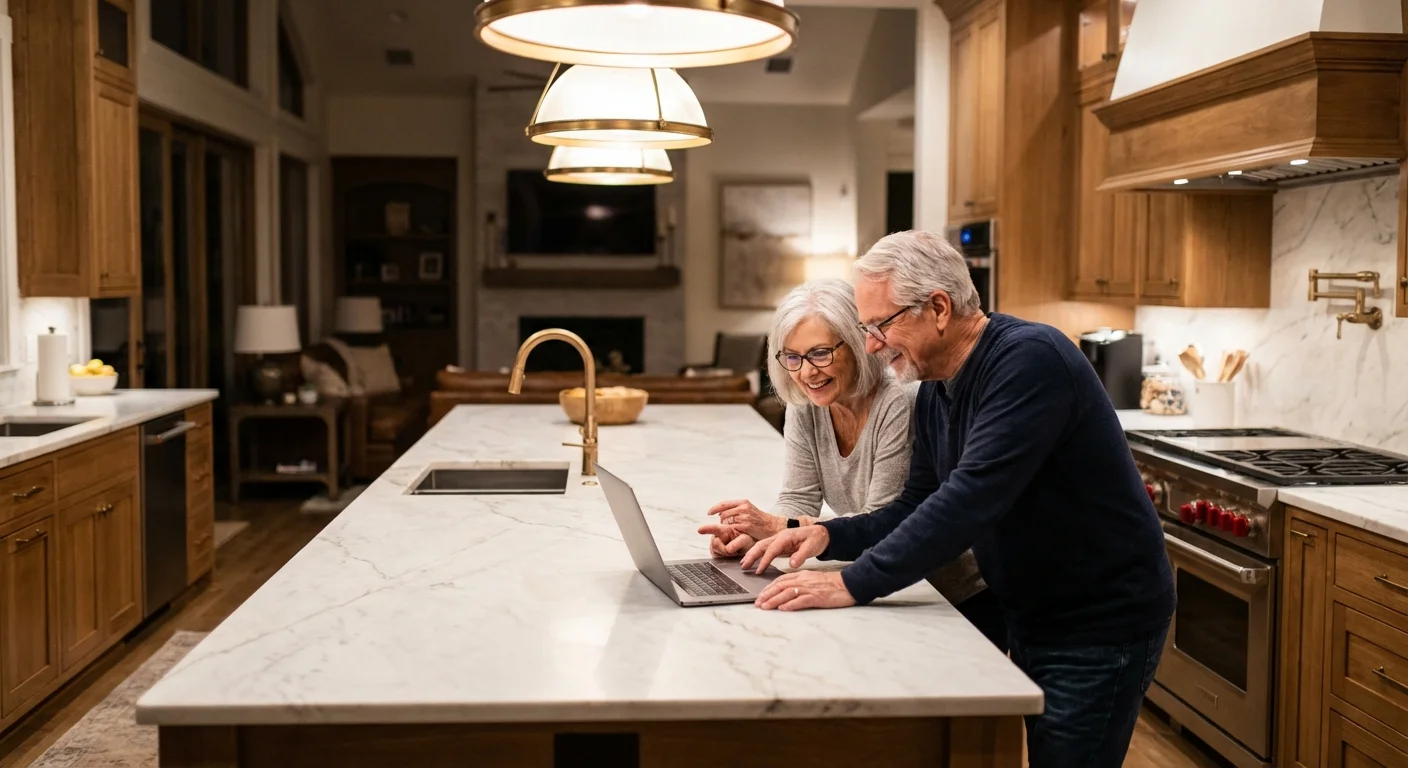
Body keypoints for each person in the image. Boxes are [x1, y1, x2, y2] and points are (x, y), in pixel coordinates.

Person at [738, 231, 1176, 768]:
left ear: (939, 308)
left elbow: (969, 503)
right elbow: (917, 504)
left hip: (1098, 618)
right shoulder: (935, 388)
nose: (871, 344)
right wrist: (828, 535)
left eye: (880, 325)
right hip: (1032, 609)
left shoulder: (1029, 361)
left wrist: (852, 582)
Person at [698, 278, 1007, 651]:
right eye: (792, 357)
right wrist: (760, 539)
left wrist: (780, 527)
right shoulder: (807, 403)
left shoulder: (899, 400)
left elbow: (881, 520)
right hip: (889, 592)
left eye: (820, 353)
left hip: (947, 598)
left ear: (858, 343)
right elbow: (797, 498)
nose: (807, 371)